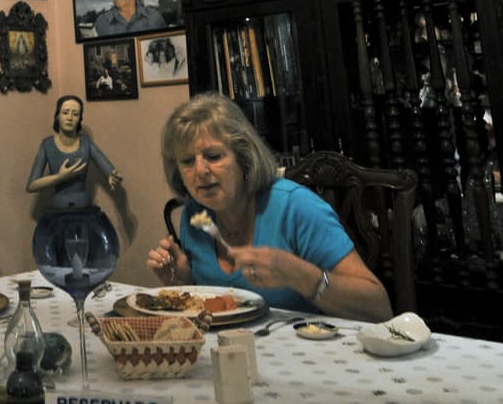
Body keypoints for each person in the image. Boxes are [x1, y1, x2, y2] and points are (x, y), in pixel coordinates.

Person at [146, 93, 392, 321]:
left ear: (244, 157)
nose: (200, 171)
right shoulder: (195, 214)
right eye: (187, 161)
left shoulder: (296, 207)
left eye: (214, 156)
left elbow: (379, 308)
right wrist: (183, 280)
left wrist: (301, 275)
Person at [26, 95, 123, 209]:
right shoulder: (47, 145)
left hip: (83, 207)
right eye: (65, 112)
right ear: (57, 116)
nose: (70, 118)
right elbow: (31, 186)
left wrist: (112, 176)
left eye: (75, 114)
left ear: (80, 119)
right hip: (58, 210)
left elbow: (107, 167)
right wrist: (60, 177)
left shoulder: (86, 142)